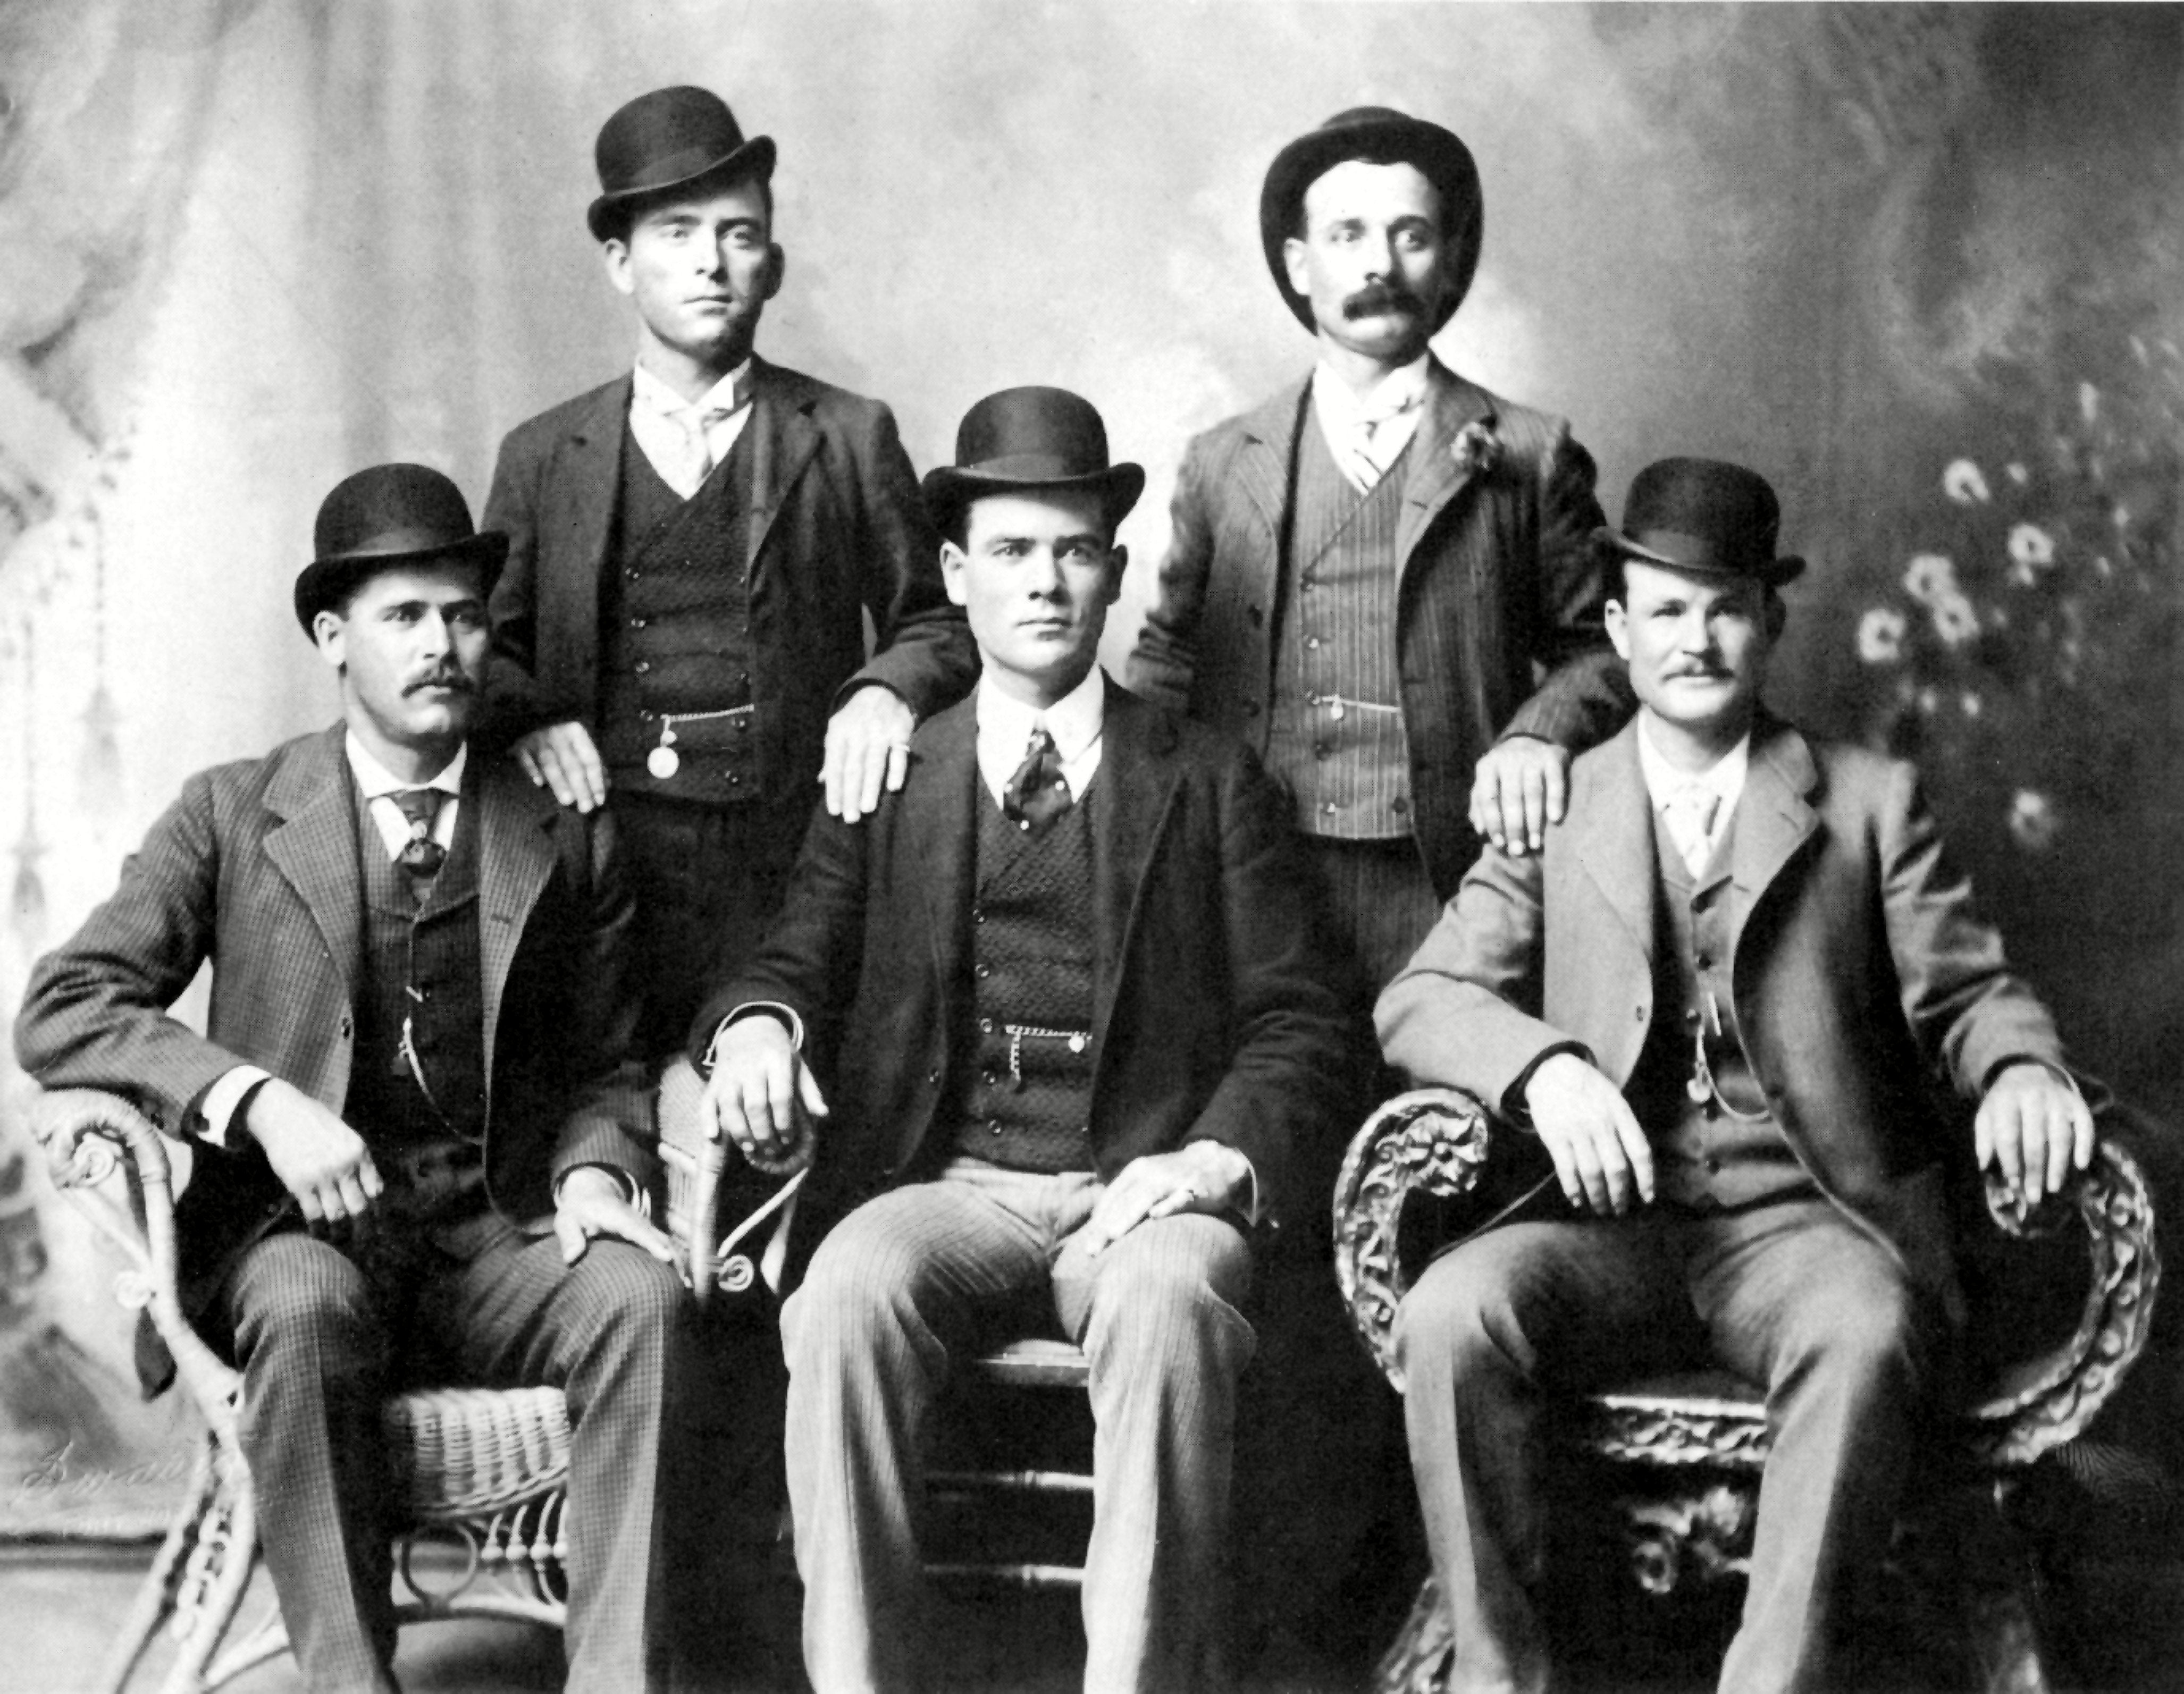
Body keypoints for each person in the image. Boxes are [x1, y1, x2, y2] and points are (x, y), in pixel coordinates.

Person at [1377, 457, 2094, 1693]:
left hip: (1804, 1228)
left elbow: (1971, 997)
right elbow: (1421, 997)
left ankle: (1771, 1680)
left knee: (1865, 1329)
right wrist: (1542, 1069)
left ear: (1767, 621)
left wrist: (2024, 1070)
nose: (1694, 637)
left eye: (1723, 606)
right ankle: (1496, 1676)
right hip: (1610, 1232)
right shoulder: (1557, 811)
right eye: (1664, 609)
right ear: (1615, 630)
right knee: (1452, 1309)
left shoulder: (1867, 803)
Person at [694, 387, 1351, 1692]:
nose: (1043, 582)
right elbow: (789, 959)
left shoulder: (1208, 776)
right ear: (955, 573)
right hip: (953, 1186)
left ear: (1113, 571)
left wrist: (1212, 1161)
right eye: (1009, 551)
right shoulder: (891, 777)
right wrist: (757, 1029)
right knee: (842, 1292)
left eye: (1070, 550)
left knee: (1171, 1297)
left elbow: (1303, 1018)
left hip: (1139, 1189)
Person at [15, 465, 684, 1694]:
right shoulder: (233, 812)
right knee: (305, 1303)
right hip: (297, 1234)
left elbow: (605, 1061)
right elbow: (62, 1005)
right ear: (332, 637)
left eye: (463, 615)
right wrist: (254, 1103)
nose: (443, 646)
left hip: (501, 1230)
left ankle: (616, 1680)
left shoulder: (557, 821)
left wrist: (596, 1173)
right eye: (404, 617)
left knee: (639, 1295)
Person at [481, 85, 976, 1057]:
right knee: (605, 1117)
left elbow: (939, 621)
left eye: (738, 235)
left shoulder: (846, 434)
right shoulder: (544, 455)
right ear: (621, 264)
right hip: (599, 867)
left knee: (773, 1129)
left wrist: (884, 691)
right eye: (677, 233)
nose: (710, 262)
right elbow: (482, 652)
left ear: (774, 266)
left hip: (790, 872)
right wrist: (531, 713)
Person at [1128, 104, 1630, 999]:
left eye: (1411, 236)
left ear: (1449, 265)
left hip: (1454, 877)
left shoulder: (1529, 451)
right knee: (1276, 1109)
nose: (1378, 267)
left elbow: (1603, 649)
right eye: (1347, 235)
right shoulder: (1221, 460)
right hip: (1257, 873)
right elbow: (1168, 657)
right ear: (1299, 263)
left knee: (1442, 1119)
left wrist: (1536, 737)